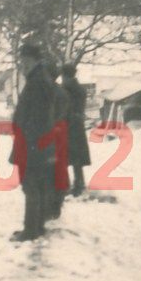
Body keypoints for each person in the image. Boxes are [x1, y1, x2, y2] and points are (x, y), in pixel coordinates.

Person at [9, 43, 57, 242]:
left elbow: (37, 118)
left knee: (30, 186)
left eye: (26, 60)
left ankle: (31, 230)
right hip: (38, 143)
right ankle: (37, 227)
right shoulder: (40, 78)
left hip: (33, 144)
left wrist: (28, 139)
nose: (23, 64)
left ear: (35, 60)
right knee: (37, 185)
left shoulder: (37, 82)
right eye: (22, 60)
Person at [45, 62, 70, 221]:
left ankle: (51, 206)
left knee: (50, 169)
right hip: (61, 132)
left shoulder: (49, 93)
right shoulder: (62, 92)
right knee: (60, 168)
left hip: (51, 133)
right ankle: (57, 204)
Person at [61, 63, 91, 196]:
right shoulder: (80, 89)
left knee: (64, 157)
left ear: (66, 76)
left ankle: (68, 185)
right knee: (76, 159)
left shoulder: (65, 90)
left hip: (68, 126)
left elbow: (65, 109)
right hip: (77, 126)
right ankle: (79, 184)